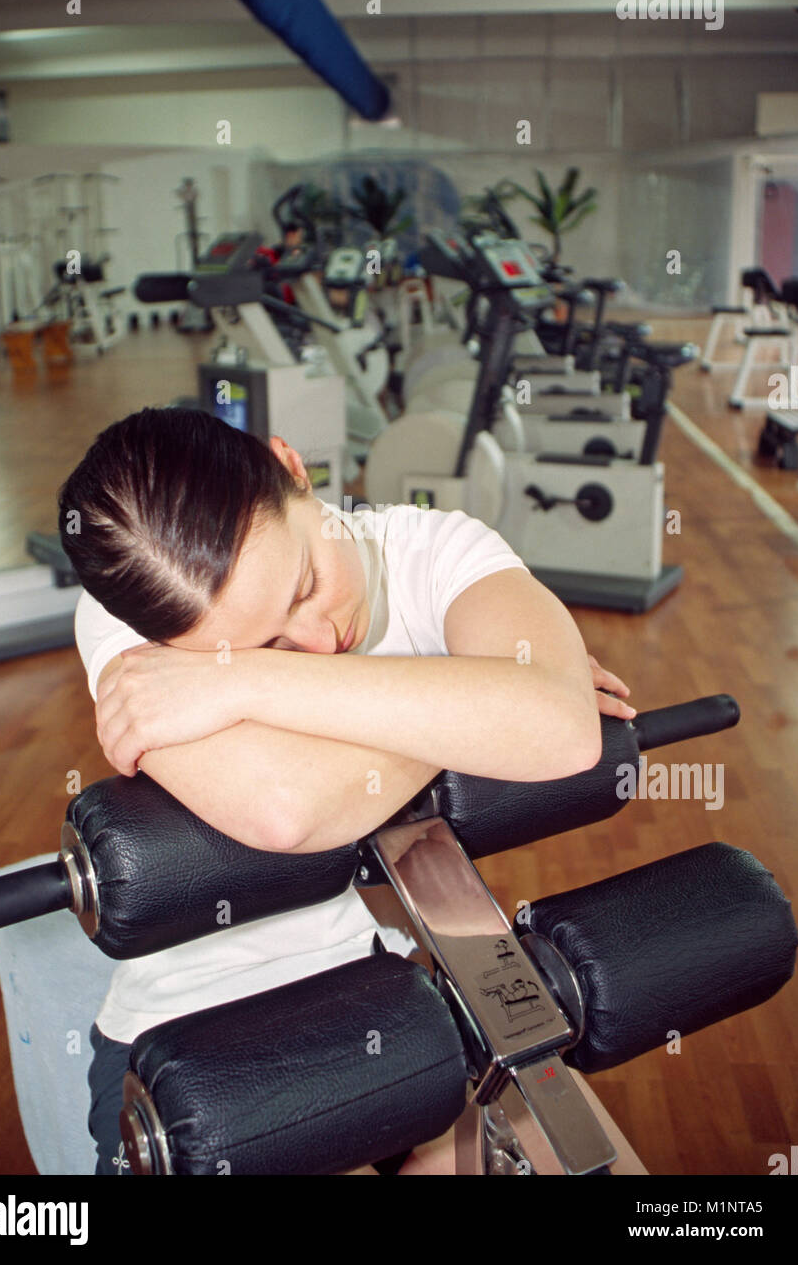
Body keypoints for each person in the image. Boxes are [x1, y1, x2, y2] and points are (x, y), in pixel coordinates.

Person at [57, 405, 635, 1176]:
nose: (319, 638)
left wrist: (246, 676)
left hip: (393, 1002)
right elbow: (288, 807)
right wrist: (478, 703)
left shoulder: (438, 549)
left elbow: (562, 726)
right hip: (197, 1044)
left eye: (305, 584)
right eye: (261, 645)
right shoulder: (130, 609)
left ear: (294, 468)